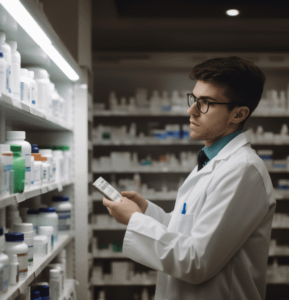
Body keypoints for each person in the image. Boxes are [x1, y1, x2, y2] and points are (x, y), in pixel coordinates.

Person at [103, 56, 276, 300]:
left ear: (238, 114)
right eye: (194, 99)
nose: (191, 110)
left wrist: (134, 220)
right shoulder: (212, 161)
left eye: (205, 103)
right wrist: (146, 213)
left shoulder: (243, 170)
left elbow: (196, 261)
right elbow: (190, 231)